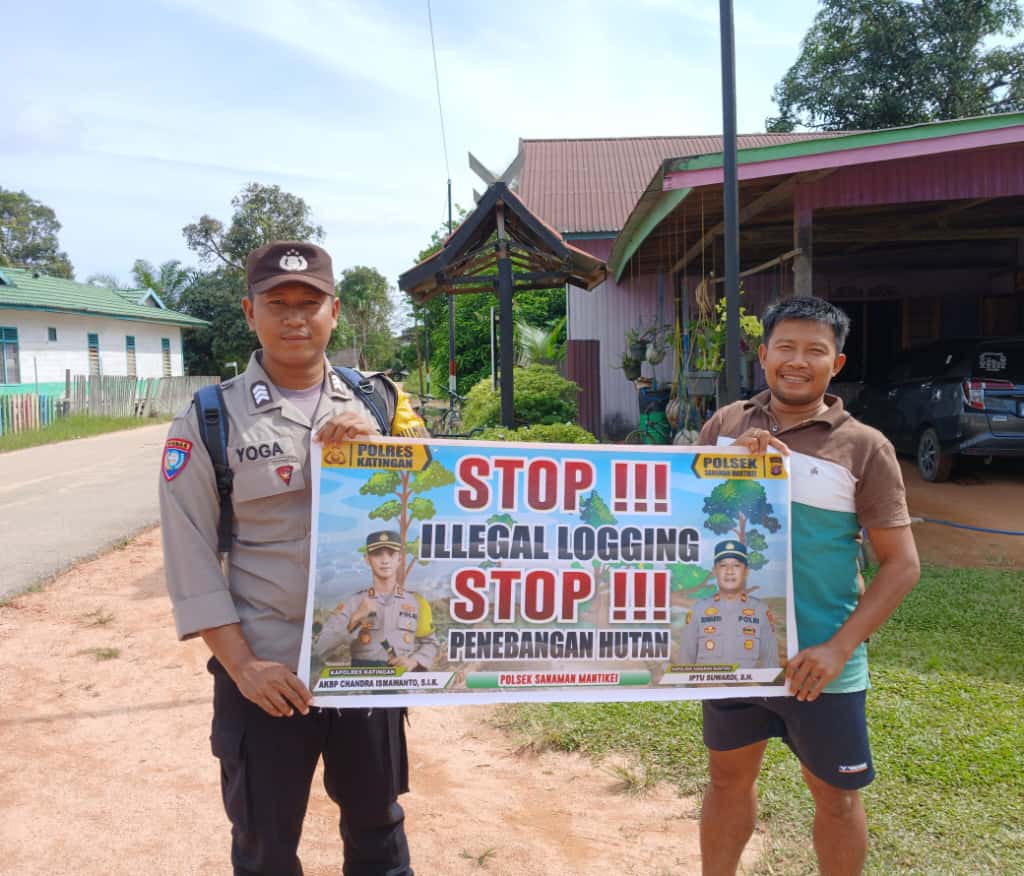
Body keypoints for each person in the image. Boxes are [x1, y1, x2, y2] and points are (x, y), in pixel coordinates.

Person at [159, 240, 421, 876]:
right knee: (265, 846)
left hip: (366, 666)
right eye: (279, 303)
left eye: (311, 303)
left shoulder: (384, 405)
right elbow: (189, 550)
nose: (296, 317)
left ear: (336, 311)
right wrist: (244, 666)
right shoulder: (210, 419)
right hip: (266, 677)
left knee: (378, 834)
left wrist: (379, 449)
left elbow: (438, 511)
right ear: (251, 312)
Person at [695, 296, 920, 876]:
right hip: (734, 652)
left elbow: (900, 564)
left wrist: (838, 648)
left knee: (837, 799)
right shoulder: (725, 424)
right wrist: (732, 470)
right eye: (785, 348)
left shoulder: (864, 446)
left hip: (821, 663)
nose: (798, 361)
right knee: (726, 781)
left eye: (814, 351)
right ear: (763, 354)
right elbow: (685, 522)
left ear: (836, 363)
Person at [314, 530, 439, 669]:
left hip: (402, 681)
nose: (385, 560)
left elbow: (430, 643)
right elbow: (320, 649)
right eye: (377, 554)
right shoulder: (353, 602)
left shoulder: (415, 602)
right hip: (362, 682)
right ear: (367, 559)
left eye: (391, 554)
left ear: (400, 559)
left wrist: (414, 661)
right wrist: (355, 620)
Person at [678, 540, 778, 669]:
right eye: (723, 565)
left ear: (746, 571)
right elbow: (684, 662)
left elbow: (771, 664)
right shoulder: (698, 610)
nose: (729, 571)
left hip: (748, 689)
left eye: (736, 565)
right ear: (714, 572)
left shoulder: (760, 611)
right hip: (706, 688)